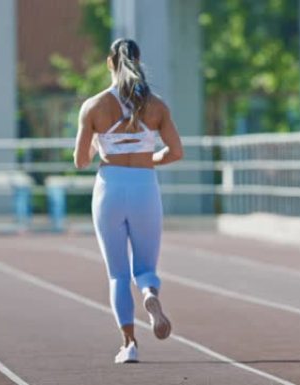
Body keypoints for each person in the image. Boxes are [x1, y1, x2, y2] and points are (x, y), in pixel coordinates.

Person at [73, 38, 184, 364]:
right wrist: (150, 159)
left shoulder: (93, 106)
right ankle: (150, 294)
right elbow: (176, 152)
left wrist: (97, 142)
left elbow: (80, 160)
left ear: (110, 63)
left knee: (117, 274)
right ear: (138, 60)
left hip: (110, 187)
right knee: (145, 267)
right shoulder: (157, 106)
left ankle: (129, 345)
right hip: (144, 187)